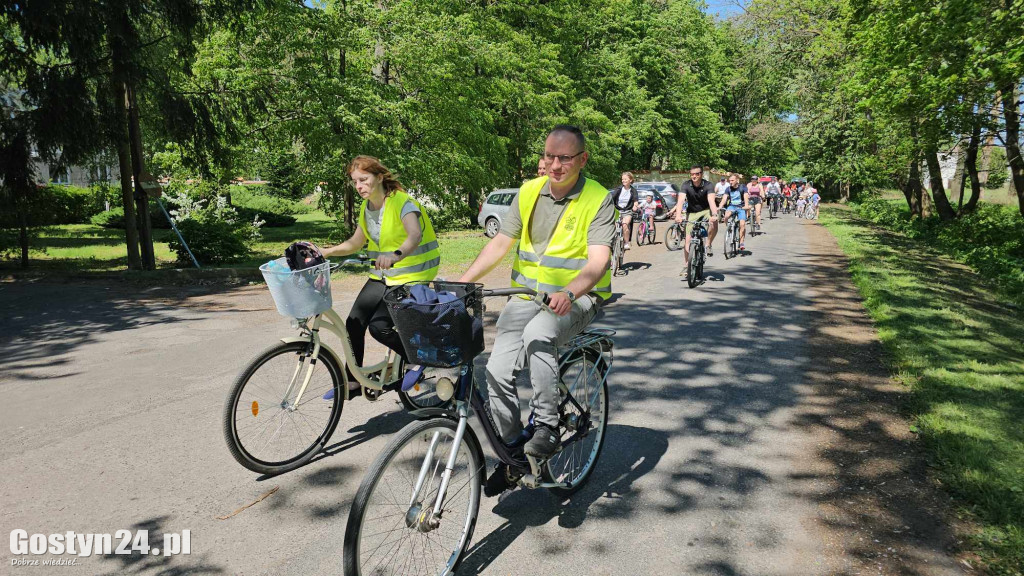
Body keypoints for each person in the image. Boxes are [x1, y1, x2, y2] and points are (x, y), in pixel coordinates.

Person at [457, 125, 614, 494]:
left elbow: (598, 262)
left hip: (578, 298)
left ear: (582, 159)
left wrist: (571, 292)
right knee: (494, 370)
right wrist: (462, 283)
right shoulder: (528, 191)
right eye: (549, 156)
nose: (555, 165)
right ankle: (515, 455)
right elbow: (500, 244)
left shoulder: (597, 198)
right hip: (527, 297)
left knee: (539, 334)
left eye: (564, 158)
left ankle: (545, 425)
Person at [321, 155, 441, 395]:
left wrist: (397, 254)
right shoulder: (367, 207)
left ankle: (417, 357)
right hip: (383, 275)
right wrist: (327, 251)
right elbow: (356, 242)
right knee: (353, 323)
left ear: (379, 177)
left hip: (411, 274)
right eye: (355, 181)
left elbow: (414, 235)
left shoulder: (402, 202)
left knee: (379, 327)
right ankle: (353, 380)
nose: (359, 186)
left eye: (363, 180)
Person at [669, 164, 717, 275]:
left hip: (706, 210)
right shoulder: (686, 185)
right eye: (692, 174)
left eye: (697, 174)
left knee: (714, 224)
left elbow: (711, 200)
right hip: (692, 212)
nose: (694, 176)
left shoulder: (708, 185)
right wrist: (678, 215)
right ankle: (687, 265)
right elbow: (680, 201)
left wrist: (714, 214)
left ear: (701, 174)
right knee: (688, 240)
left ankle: (708, 244)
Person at [608, 171, 638, 249]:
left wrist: (635, 206)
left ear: (630, 180)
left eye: (625, 179)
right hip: (617, 211)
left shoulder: (633, 190)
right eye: (622, 179)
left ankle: (626, 243)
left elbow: (635, 201)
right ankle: (612, 241)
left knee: (625, 224)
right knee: (613, 225)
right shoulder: (619, 189)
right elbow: (611, 198)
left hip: (627, 211)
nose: (623, 181)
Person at [722, 174, 750, 251]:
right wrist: (720, 206)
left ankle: (741, 242)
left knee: (742, 224)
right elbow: (724, 199)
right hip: (732, 206)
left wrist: (747, 206)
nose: (730, 182)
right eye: (729, 180)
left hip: (741, 207)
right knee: (726, 216)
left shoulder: (742, 187)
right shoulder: (728, 189)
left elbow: (746, 197)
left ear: (737, 180)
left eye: (732, 180)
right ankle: (729, 228)